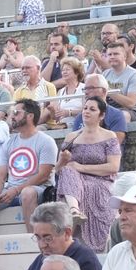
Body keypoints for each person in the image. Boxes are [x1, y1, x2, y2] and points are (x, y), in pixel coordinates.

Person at [56, 99, 123, 251]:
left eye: (92, 109)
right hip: (74, 184)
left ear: (101, 115)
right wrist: (62, 161)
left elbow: (113, 167)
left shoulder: (109, 136)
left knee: (74, 173)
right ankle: (74, 211)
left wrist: (81, 167)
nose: (86, 111)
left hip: (101, 181)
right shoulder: (71, 137)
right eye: (85, 108)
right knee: (67, 170)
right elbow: (59, 170)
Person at [0, 100, 57, 223]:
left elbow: (43, 176)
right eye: (11, 113)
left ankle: (33, 240)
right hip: (11, 190)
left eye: (16, 112)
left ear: (30, 116)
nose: (11, 116)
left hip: (39, 190)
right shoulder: (8, 143)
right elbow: (1, 174)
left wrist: (17, 190)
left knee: (27, 193)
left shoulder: (46, 141)